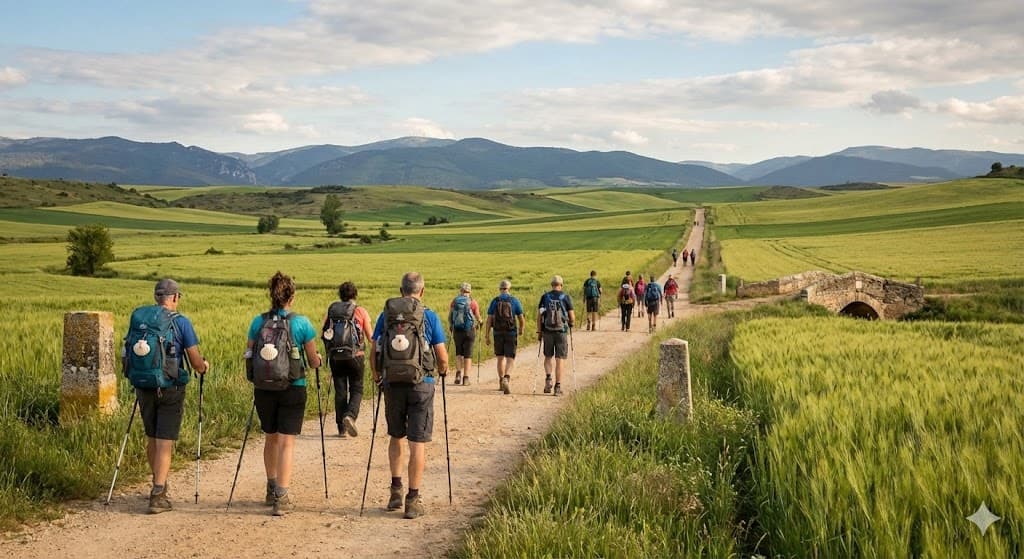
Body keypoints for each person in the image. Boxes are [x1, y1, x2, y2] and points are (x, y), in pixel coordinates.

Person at [371, 272, 449, 519]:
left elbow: (375, 350)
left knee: (396, 436)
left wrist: (376, 375)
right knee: (417, 443)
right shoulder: (430, 316)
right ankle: (413, 500)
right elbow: (442, 356)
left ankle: (395, 490)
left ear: (401, 289)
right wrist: (442, 371)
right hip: (421, 385)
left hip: (392, 383)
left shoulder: (386, 315)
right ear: (421, 291)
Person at [246, 272, 322, 516]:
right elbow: (312, 361)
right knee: (287, 442)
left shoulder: (258, 322)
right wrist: (318, 360)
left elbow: (249, 354)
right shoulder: (302, 323)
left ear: (271, 294)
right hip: (293, 387)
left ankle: (270, 487)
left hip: (264, 388)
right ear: (293, 296)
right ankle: (282, 495)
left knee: (271, 438)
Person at [131, 279, 209, 514]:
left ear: (157, 296)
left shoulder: (139, 319)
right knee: (165, 440)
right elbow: (195, 361)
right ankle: (158, 492)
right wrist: (203, 366)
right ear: (175, 297)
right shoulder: (181, 322)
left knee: (152, 436)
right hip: (171, 387)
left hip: (143, 385)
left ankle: (158, 481)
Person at [321, 281, 373, 438]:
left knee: (340, 390)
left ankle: (341, 429)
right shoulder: (360, 311)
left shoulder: (331, 310)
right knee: (357, 388)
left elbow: (323, 333)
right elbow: (371, 337)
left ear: (340, 295)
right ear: (355, 295)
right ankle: (350, 415)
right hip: (355, 356)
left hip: (336, 357)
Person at [537, 275, 575, 396]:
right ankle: (558, 387)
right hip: (561, 331)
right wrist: (571, 323)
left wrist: (539, 331)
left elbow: (540, 316)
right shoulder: (566, 297)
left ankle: (548, 378)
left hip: (547, 331)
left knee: (548, 356)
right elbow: (572, 317)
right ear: (561, 285)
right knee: (560, 359)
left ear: (551, 285)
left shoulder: (545, 297)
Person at [485, 279, 526, 394]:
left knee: (499, 358)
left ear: (500, 289)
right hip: (511, 332)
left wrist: (487, 335)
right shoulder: (514, 300)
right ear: (509, 288)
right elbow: (521, 318)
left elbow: (489, 320)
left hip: (497, 333)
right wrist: (521, 329)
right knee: (510, 358)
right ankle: (507, 378)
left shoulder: (495, 301)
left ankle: (501, 381)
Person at [448, 282, 481, 386]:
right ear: (469, 291)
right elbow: (478, 317)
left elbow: (450, 316)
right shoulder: (473, 302)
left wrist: (451, 325)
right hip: (469, 331)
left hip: (457, 330)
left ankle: (458, 374)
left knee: (458, 352)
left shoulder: (454, 301)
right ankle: (466, 378)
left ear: (461, 290)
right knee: (468, 354)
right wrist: (480, 323)